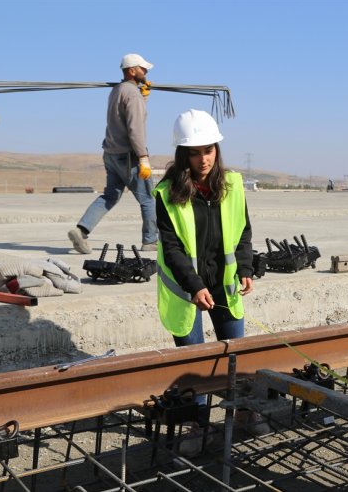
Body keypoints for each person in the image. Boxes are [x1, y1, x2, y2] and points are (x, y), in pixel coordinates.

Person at [153, 109, 267, 436]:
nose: (203, 159)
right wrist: (194, 286)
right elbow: (172, 248)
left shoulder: (232, 184)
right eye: (194, 152)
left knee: (235, 355)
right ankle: (195, 424)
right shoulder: (166, 193)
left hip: (224, 286)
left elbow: (243, 231)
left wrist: (245, 268)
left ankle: (243, 413)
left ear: (217, 149)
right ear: (183, 154)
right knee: (194, 363)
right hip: (186, 291)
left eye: (209, 150)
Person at [67, 53, 158, 254]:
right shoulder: (131, 94)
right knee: (149, 199)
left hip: (111, 153)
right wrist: (143, 157)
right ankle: (151, 241)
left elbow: (127, 116)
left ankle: (81, 231)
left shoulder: (118, 90)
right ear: (132, 70)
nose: (147, 71)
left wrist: (143, 97)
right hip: (129, 156)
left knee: (110, 196)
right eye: (143, 69)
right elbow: (136, 128)